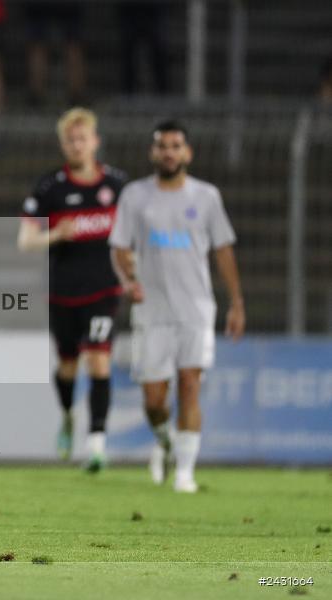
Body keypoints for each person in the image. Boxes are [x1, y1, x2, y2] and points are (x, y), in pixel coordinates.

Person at [108, 121, 246, 493]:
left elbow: (223, 250)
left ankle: (185, 474)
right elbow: (120, 247)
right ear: (153, 153)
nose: (169, 152)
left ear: (187, 152)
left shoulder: (206, 197)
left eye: (175, 145)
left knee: (189, 385)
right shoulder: (135, 196)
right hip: (151, 310)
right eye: (162, 146)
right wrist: (128, 282)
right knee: (154, 400)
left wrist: (236, 303)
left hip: (196, 309)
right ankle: (165, 442)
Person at [17, 108, 126, 472]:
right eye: (70, 140)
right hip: (62, 292)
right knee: (68, 367)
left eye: (83, 138)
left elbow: (134, 235)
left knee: (98, 360)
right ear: (63, 144)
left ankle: (96, 444)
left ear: (95, 141)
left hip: (105, 290)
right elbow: (25, 242)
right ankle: (67, 416)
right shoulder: (51, 188)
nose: (77, 145)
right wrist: (55, 235)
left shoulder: (117, 186)